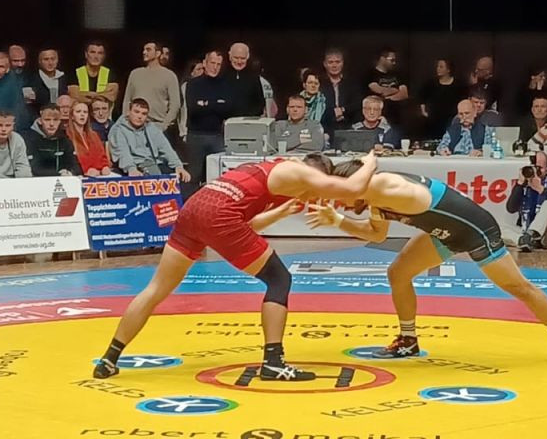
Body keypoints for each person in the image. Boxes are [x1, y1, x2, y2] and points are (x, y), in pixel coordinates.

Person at [92, 152, 380, 380]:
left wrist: (280, 212)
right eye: (315, 190)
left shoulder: (269, 171)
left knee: (156, 288)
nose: (311, 198)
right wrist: (370, 161)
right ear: (316, 176)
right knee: (279, 280)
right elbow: (352, 186)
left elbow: (247, 226)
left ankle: (109, 359)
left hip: (195, 208)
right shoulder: (299, 171)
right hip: (218, 215)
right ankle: (273, 362)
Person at [307, 163, 547, 366]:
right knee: (398, 273)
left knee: (519, 287)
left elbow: (393, 187)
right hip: (443, 233)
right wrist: (338, 221)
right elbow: (376, 235)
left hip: (476, 231)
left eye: (340, 193)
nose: (339, 202)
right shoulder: (376, 200)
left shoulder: (386, 186)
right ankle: (408, 340)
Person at [108, 98, 191, 180]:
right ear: (129, 112)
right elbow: (123, 153)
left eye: (144, 114)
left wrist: (178, 166)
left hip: (154, 164)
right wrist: (131, 169)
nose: (140, 116)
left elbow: (166, 148)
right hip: (133, 167)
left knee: (179, 177)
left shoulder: (151, 128)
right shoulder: (119, 130)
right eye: (136, 112)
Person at [186, 50, 235, 183]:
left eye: (218, 64)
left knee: (219, 175)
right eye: (212, 63)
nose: (215, 67)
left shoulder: (225, 84)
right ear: (204, 63)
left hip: (217, 136)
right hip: (196, 136)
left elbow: (228, 109)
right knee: (194, 175)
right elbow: (194, 109)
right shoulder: (193, 84)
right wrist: (217, 103)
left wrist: (206, 103)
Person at [507, 151, 547, 251]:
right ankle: (523, 240)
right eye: (533, 167)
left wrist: (541, 189)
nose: (536, 171)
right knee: (498, 228)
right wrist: (519, 184)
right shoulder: (523, 185)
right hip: (524, 229)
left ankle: (533, 234)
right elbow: (511, 208)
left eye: (539, 168)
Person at [125, 40, 182, 141]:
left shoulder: (169, 75)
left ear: (158, 53)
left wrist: (164, 126)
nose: (144, 52)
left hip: (157, 126)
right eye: (144, 50)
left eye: (148, 50)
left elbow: (175, 104)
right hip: (134, 127)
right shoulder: (135, 74)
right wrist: (127, 121)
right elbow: (127, 100)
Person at [24, 104, 79, 177]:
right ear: (40, 121)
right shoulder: (29, 139)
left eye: (55, 120)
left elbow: (76, 166)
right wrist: (58, 174)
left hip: (62, 180)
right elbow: (33, 168)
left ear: (60, 121)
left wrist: (70, 172)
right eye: (47, 120)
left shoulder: (65, 139)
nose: (52, 124)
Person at [321, 49, 363, 136]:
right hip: (324, 126)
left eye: (337, 62)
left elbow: (358, 103)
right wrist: (333, 113)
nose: (334, 65)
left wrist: (343, 110)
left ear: (342, 63)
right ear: (325, 64)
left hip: (349, 126)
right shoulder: (319, 83)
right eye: (330, 62)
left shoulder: (352, 83)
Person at [68, 99, 114, 176]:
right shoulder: (67, 136)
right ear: (72, 116)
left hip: (98, 175)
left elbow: (102, 156)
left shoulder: (94, 135)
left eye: (85, 112)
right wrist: (86, 171)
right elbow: (72, 161)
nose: (82, 115)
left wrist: (104, 166)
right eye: (78, 112)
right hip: (79, 176)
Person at [69, 40, 120, 110]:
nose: (96, 56)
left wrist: (87, 95)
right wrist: (100, 96)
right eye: (92, 52)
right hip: (81, 113)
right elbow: (74, 95)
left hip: (102, 114)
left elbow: (112, 96)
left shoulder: (110, 73)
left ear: (104, 56)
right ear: (86, 54)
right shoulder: (76, 73)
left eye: (100, 53)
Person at [366, 48, 409, 126]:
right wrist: (396, 90)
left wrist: (387, 98)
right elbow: (380, 91)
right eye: (392, 60)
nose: (394, 63)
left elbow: (404, 94)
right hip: (379, 117)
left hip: (398, 117)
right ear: (382, 59)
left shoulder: (398, 75)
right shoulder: (370, 74)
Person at [224, 42, 266, 118]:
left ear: (248, 57)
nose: (239, 61)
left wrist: (249, 117)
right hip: (226, 120)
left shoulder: (253, 77)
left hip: (248, 120)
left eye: (242, 58)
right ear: (230, 56)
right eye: (236, 58)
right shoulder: (222, 75)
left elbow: (260, 103)